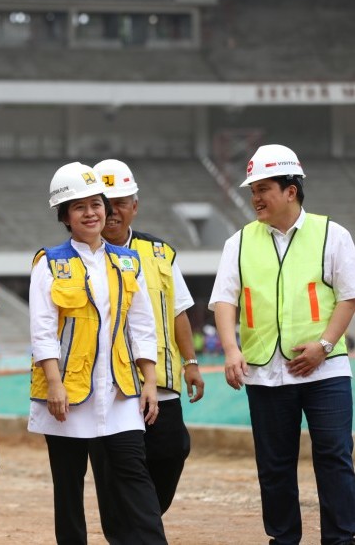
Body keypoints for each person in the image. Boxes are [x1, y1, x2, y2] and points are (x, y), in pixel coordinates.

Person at [210, 143, 355, 545]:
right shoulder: (238, 242)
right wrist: (231, 349)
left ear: (291, 190)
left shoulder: (332, 234)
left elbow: (349, 296)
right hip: (265, 373)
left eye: (263, 189)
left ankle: (342, 539)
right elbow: (225, 299)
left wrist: (324, 345)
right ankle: (283, 539)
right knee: (274, 467)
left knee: (334, 457)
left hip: (325, 370)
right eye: (252, 190)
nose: (255, 198)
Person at [28, 161, 166, 545]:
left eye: (96, 204)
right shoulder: (50, 263)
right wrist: (55, 385)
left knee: (134, 475)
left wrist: (149, 382)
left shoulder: (127, 261)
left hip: (120, 392)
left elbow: (142, 326)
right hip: (67, 395)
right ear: (65, 216)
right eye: (79, 207)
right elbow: (42, 330)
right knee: (69, 488)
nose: (90, 213)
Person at [89, 159, 205, 537]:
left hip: (162, 384)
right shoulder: (79, 256)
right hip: (110, 386)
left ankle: (141, 522)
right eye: (102, 202)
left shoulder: (159, 252)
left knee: (172, 451)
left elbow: (179, 312)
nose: (111, 211)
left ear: (134, 205)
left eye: (119, 201)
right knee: (113, 470)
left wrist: (191, 363)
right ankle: (130, 531)